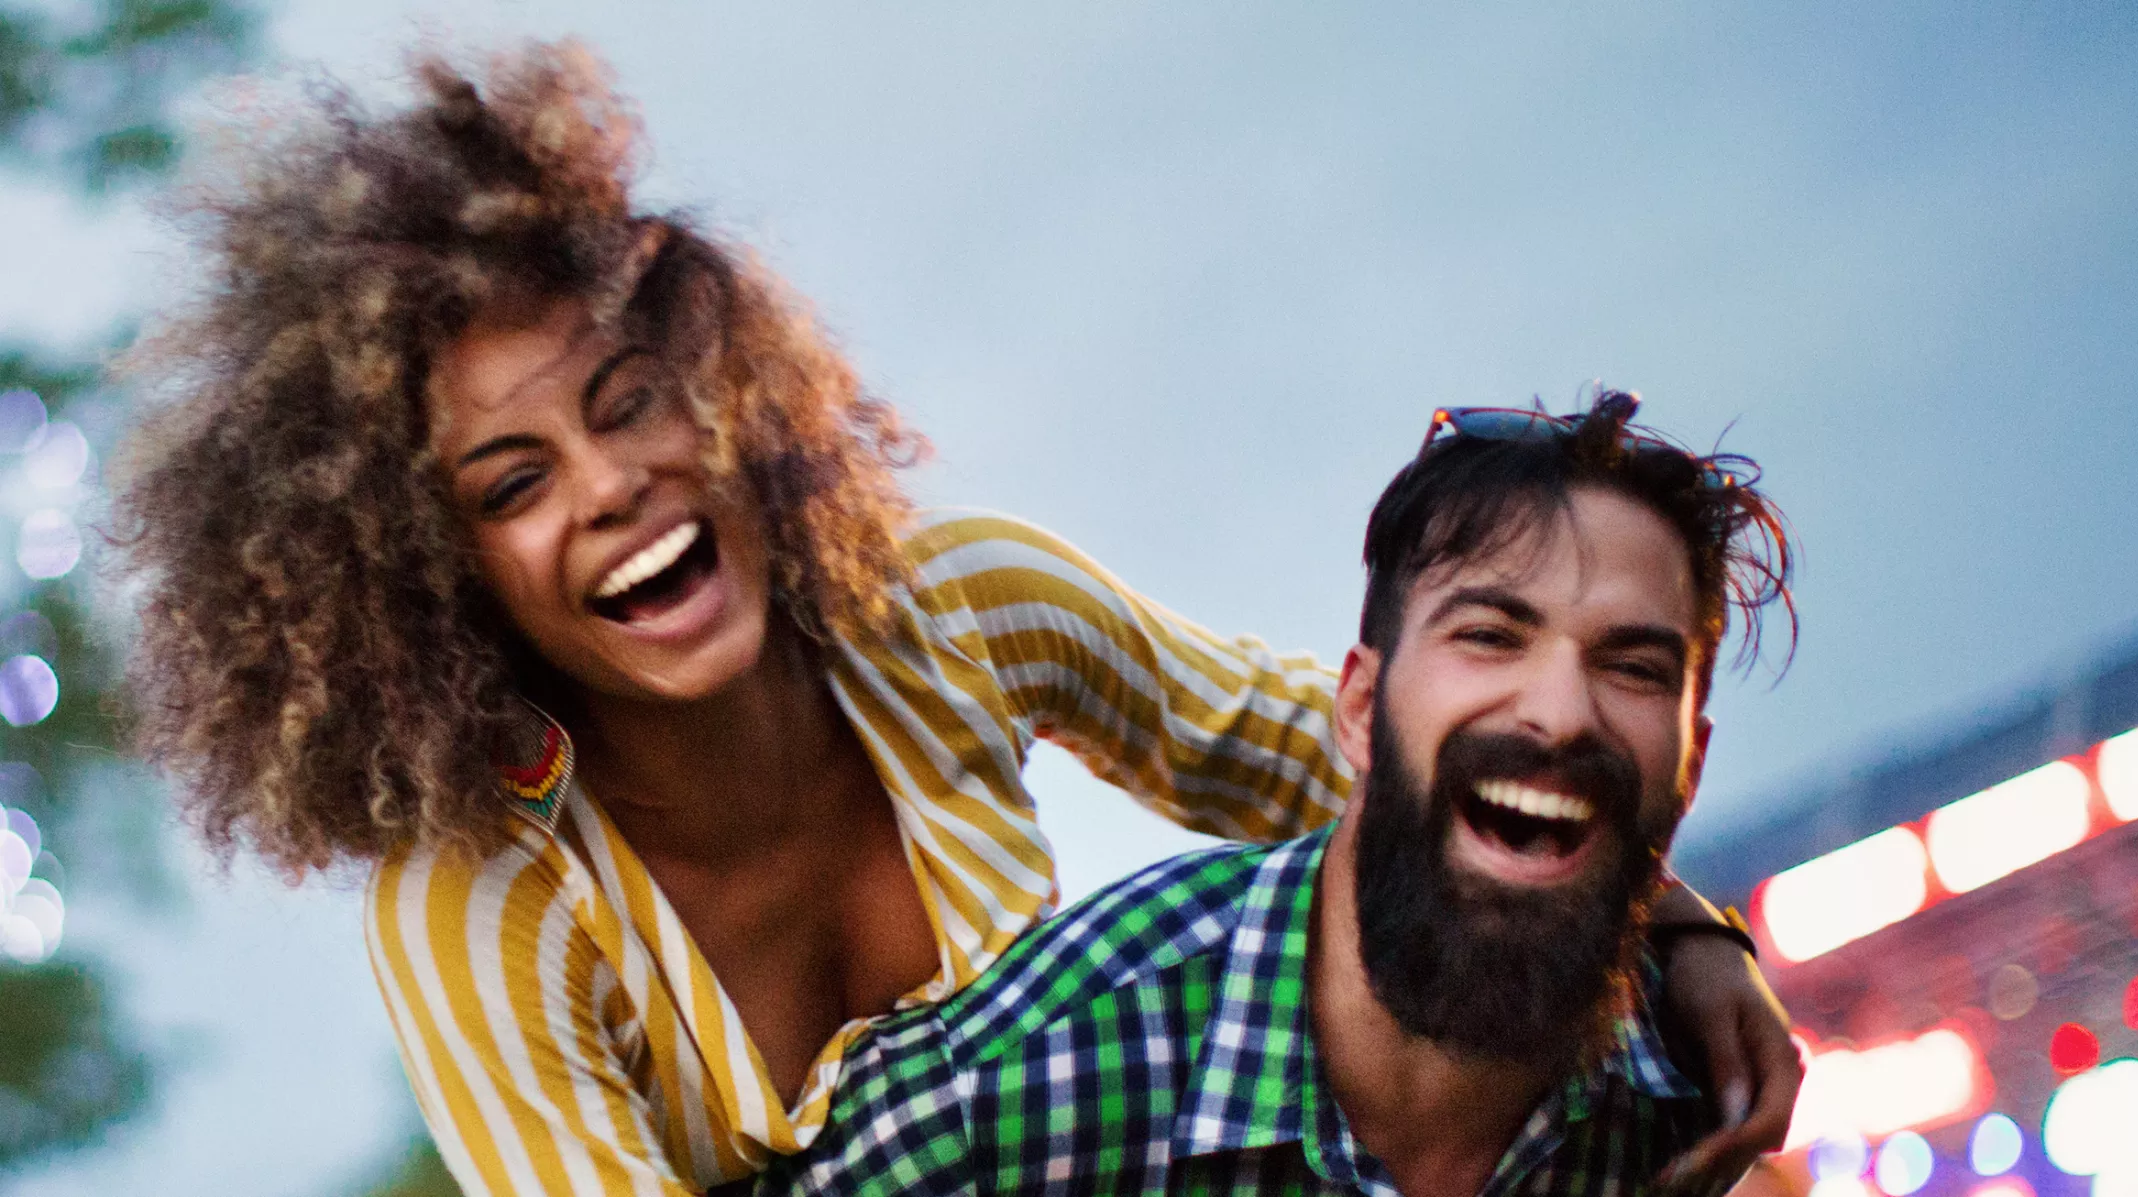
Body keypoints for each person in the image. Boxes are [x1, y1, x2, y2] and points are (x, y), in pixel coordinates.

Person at [114, 42, 1796, 1196]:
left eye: (629, 400)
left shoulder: (958, 606)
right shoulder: (477, 905)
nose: (611, 484)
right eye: (510, 482)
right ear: (429, 577)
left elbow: (1372, 753)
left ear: (721, 388)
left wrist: (1679, 927)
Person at [737, 392, 1797, 1197]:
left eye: (1633, 667)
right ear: (1355, 710)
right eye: (1488, 635)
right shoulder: (1022, 1088)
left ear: (1689, 758)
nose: (1562, 711)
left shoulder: (1681, 1107)